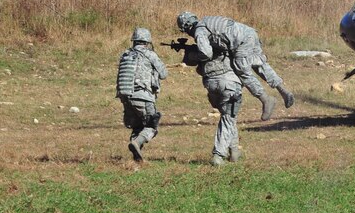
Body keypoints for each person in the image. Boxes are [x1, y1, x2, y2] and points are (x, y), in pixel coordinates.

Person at [176, 12, 294, 121]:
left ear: (187, 26)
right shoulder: (207, 21)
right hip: (249, 33)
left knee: (241, 69)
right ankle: (283, 91)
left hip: (241, 42)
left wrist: (193, 56)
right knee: (259, 64)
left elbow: (206, 53)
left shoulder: (199, 30)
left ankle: (266, 99)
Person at [116, 28, 168, 162]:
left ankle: (137, 158)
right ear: (147, 41)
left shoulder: (125, 54)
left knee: (137, 127)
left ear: (134, 40)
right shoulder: (150, 54)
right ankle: (137, 143)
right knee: (152, 126)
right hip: (143, 96)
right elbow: (164, 74)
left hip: (125, 96)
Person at [197, 51, 244, 166]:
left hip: (211, 84)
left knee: (229, 117)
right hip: (230, 84)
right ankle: (218, 155)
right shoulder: (231, 44)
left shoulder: (206, 46)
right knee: (228, 117)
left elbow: (198, 69)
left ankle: (234, 151)